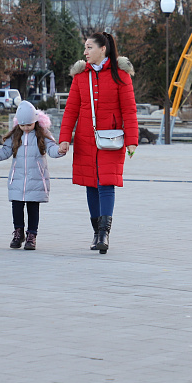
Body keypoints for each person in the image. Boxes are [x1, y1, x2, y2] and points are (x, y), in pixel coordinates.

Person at [58, 32, 138, 254]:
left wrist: (132, 140)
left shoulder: (121, 75)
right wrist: (65, 139)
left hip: (111, 139)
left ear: (103, 49)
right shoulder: (80, 76)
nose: (85, 52)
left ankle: (104, 233)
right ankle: (96, 231)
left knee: (106, 183)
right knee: (91, 183)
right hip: (85, 139)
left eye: (89, 47)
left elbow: (129, 110)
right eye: (85, 48)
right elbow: (71, 109)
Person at [0, 101, 64, 250]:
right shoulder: (15, 135)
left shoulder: (42, 134)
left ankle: (32, 235)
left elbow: (52, 149)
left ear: (35, 121)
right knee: (16, 207)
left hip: (36, 179)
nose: (26, 128)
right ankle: (18, 233)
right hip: (17, 179)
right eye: (22, 126)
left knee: (33, 207)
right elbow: (4, 152)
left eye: (29, 125)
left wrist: (60, 151)